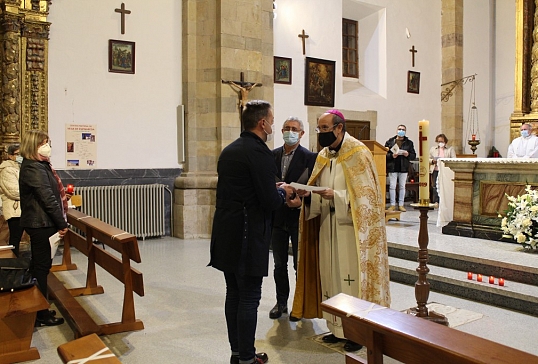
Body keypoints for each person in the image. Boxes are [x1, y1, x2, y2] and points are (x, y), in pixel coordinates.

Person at [290, 109, 391, 352]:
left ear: (339, 128)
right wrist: (309, 195)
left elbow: (368, 200)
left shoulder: (359, 154)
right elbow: (317, 188)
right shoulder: (324, 155)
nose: (321, 133)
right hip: (327, 225)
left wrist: (335, 195)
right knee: (330, 278)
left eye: (325, 128)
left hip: (351, 231)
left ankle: (357, 332)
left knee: (351, 280)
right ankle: (336, 329)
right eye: (319, 128)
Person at [208, 100, 299, 364]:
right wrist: (283, 192)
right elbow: (269, 200)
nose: (273, 125)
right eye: (272, 120)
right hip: (248, 234)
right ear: (262, 123)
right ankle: (247, 359)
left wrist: (274, 188)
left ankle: (238, 354)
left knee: (233, 293)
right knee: (249, 297)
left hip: (226, 232)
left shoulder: (229, 150)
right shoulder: (259, 152)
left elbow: (244, 189)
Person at [269, 116, 316, 320]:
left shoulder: (310, 158)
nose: (290, 132)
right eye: (287, 128)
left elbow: (315, 187)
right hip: (278, 217)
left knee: (299, 265)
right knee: (279, 264)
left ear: (302, 133)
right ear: (281, 131)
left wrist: (302, 198)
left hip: (299, 216)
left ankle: (300, 305)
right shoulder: (272, 155)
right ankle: (281, 303)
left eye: (294, 129)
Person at [19, 130, 67, 327]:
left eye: (48, 143)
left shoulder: (38, 166)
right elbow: (47, 199)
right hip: (41, 224)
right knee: (41, 268)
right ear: (33, 147)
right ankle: (40, 313)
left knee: (41, 266)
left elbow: (50, 194)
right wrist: (62, 223)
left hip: (41, 222)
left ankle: (40, 308)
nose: (48, 147)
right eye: (43, 144)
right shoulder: (34, 169)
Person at [385, 124, 416, 212]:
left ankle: (401, 205)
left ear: (405, 132)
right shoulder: (390, 142)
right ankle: (392, 205)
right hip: (393, 167)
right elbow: (385, 154)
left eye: (403, 129)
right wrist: (391, 156)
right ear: (396, 130)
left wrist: (408, 154)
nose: (401, 131)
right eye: (399, 129)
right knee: (392, 186)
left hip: (403, 167)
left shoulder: (409, 143)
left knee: (402, 186)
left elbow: (413, 155)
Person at [0, 143, 23, 256]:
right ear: (10, 156)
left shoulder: (19, 167)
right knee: (15, 237)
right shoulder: (7, 170)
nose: (20, 157)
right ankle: (14, 261)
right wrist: (30, 193)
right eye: (17, 154)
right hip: (14, 209)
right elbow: (14, 191)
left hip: (22, 208)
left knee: (18, 236)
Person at [429, 134, 456, 208]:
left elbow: (454, 159)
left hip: (445, 170)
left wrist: (446, 161)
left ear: (445, 141)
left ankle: (445, 202)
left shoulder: (450, 149)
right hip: (436, 169)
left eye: (442, 141)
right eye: (439, 141)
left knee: (445, 186)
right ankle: (436, 201)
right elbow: (428, 159)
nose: (440, 143)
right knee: (435, 186)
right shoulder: (433, 149)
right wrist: (432, 161)